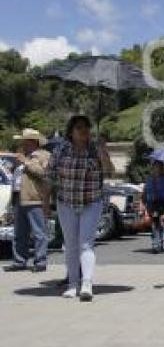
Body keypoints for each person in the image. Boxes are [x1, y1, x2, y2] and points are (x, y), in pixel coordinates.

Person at [47, 115, 114, 301]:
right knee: (70, 245)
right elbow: (49, 175)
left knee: (86, 243)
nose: (84, 130)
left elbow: (109, 172)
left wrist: (103, 153)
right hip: (66, 202)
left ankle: (86, 284)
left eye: (86, 127)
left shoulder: (95, 149)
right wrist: (46, 202)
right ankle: (72, 285)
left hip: (91, 202)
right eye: (79, 127)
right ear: (71, 131)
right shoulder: (61, 150)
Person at [3, 129, 51, 273]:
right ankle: (19, 261)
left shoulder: (43, 155)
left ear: (33, 142)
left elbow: (44, 173)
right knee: (19, 233)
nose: (22, 143)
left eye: (24, 141)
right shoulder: (23, 157)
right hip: (19, 197)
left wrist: (26, 162)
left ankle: (41, 261)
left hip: (34, 198)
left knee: (38, 232)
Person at [141, 160, 164, 253]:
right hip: (152, 205)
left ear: (161, 168)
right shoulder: (149, 179)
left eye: (158, 167)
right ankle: (156, 244)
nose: (157, 169)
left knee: (161, 224)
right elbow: (145, 192)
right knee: (154, 224)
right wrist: (143, 204)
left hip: (162, 204)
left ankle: (159, 243)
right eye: (155, 167)